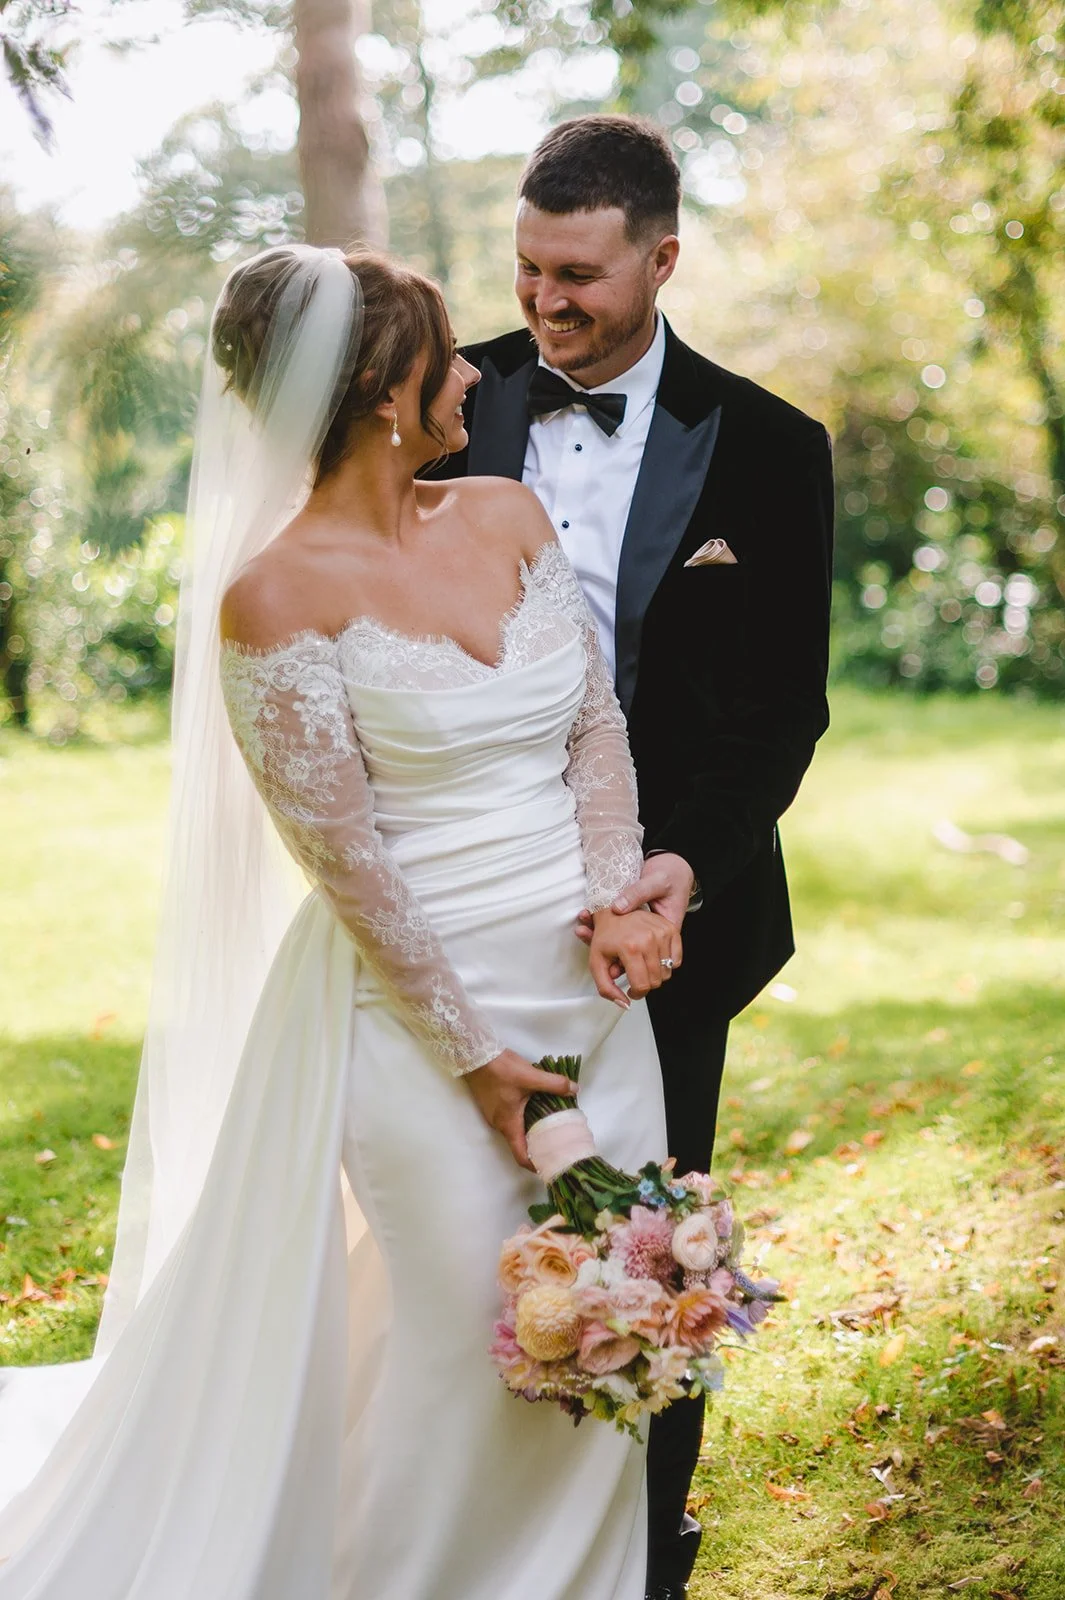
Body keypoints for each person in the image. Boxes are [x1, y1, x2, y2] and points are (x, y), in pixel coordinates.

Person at [0, 247, 679, 1598]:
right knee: (470, 1337)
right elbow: (348, 860)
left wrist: (618, 892)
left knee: (610, 1316)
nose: (475, 371)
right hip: (423, 1017)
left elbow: (592, 724)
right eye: (445, 351)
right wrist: (478, 1058)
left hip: (595, 994)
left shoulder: (505, 515)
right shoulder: (274, 596)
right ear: (382, 390)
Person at [431, 114, 834, 1598]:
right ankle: (463, 1531)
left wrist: (687, 868)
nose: (546, 305)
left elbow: (785, 704)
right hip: (468, 890)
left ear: (663, 259)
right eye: (530, 269)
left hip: (667, 915)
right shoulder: (439, 399)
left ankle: (645, 1545)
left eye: (582, 277)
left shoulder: (773, 445)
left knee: (648, 1235)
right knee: (454, 1220)